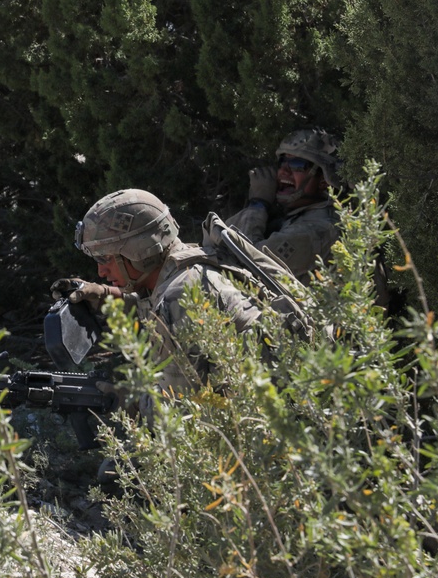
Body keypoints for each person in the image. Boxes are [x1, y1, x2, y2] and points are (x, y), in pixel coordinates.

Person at [50, 188, 265, 397]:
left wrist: (123, 402)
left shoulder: (181, 294)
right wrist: (105, 295)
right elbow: (153, 307)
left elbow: (178, 407)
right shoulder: (187, 267)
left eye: (104, 258)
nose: (101, 271)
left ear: (138, 252)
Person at [225, 128, 342, 284]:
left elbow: (246, 265)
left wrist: (258, 204)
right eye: (282, 162)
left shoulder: (318, 229)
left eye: (297, 165)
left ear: (323, 180)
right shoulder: (298, 215)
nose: (283, 171)